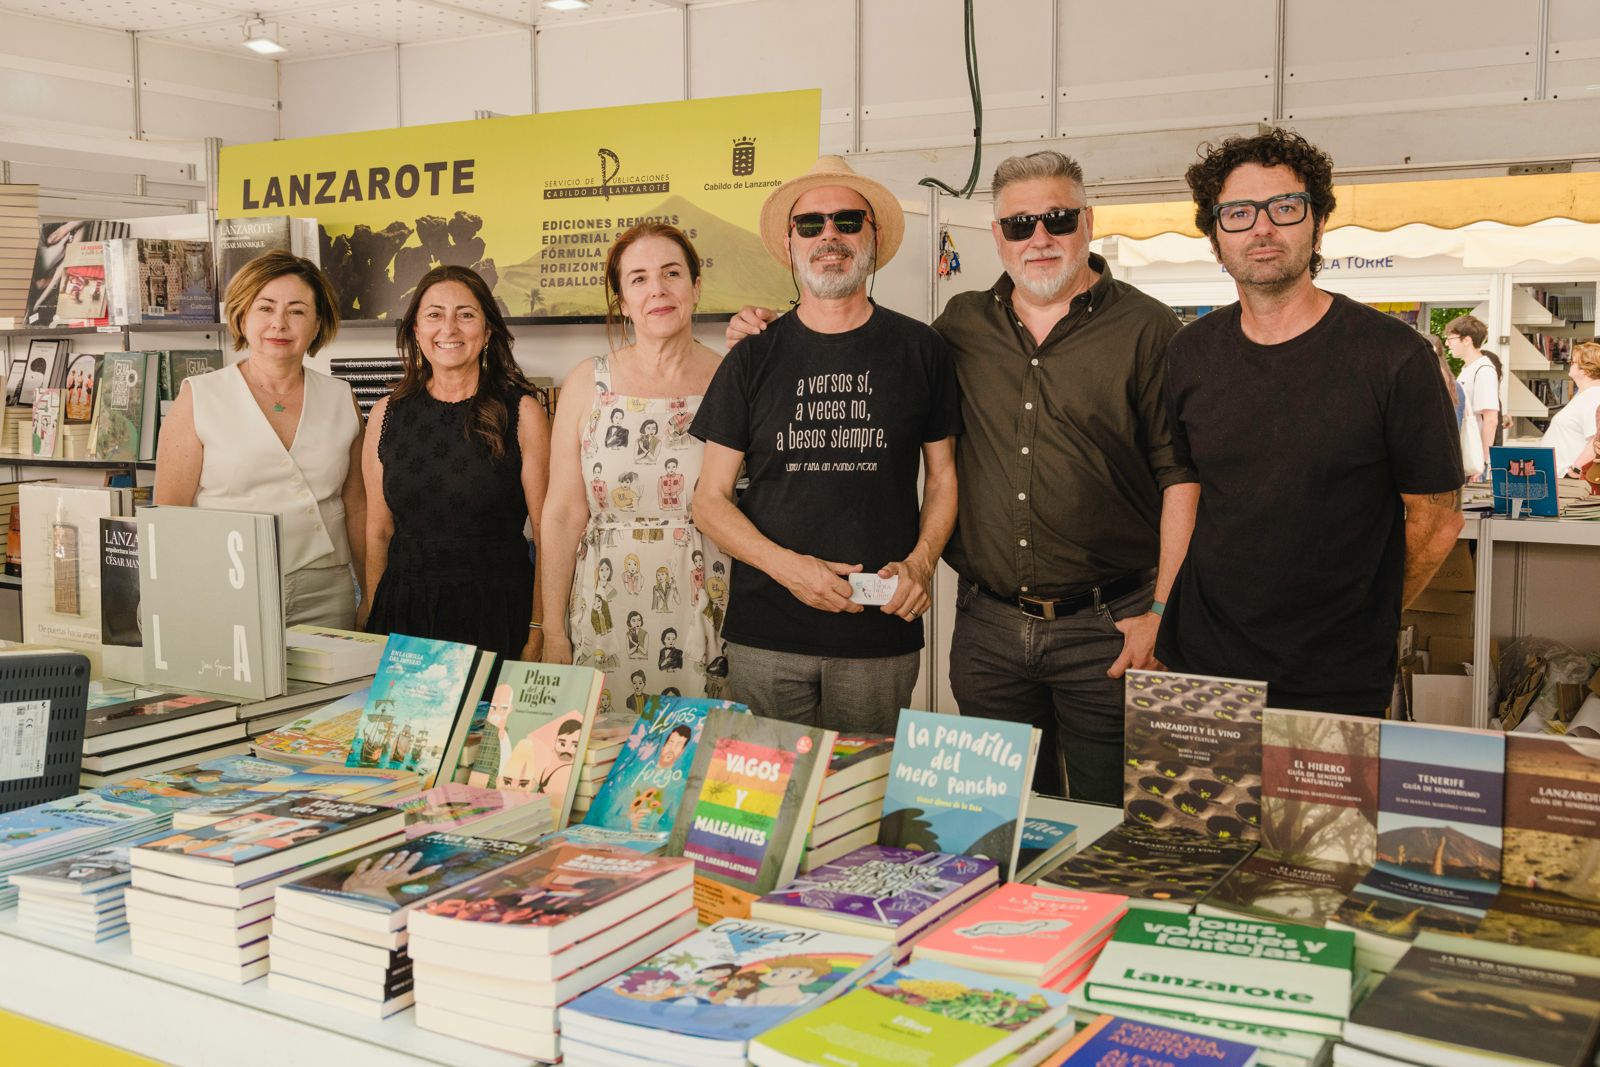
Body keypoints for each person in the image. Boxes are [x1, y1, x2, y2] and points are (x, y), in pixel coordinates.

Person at [725, 151, 1195, 803]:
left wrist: (1162, 613)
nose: (1039, 238)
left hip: (1107, 625)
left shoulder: (1147, 328)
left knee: (1106, 816)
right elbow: (841, 332)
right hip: (990, 631)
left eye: (1057, 219)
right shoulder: (959, 328)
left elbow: (1182, 479)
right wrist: (762, 327)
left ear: (1087, 221)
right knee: (989, 821)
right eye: (1020, 223)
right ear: (997, 234)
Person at [1156, 127, 1464, 716]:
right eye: (1239, 213)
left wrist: (1370, 616)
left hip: (1336, 676)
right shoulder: (1189, 352)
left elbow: (1438, 516)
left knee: (1323, 814)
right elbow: (1188, 488)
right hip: (1201, 660)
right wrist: (1161, 614)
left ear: (1317, 223)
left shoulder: (1394, 355)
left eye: (1285, 208)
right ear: (1216, 236)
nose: (1262, 228)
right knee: (1196, 809)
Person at [692, 155, 961, 734]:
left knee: (860, 806)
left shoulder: (921, 349)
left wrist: (920, 564)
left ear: (874, 235)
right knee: (766, 808)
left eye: (846, 220)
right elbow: (708, 500)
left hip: (879, 629)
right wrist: (791, 571)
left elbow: (942, 477)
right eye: (810, 225)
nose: (829, 237)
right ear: (790, 244)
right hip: (767, 631)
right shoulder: (751, 356)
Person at [541, 222, 731, 699]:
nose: (658, 290)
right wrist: (553, 631)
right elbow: (563, 514)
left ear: (695, 287)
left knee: (696, 753)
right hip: (606, 599)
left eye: (671, 273)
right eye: (639, 278)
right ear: (623, 301)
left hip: (708, 595)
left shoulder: (732, 378)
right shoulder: (587, 382)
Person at [156, 250, 366, 628]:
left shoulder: (341, 397)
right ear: (241, 316)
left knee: (333, 688)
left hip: (326, 588)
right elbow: (170, 513)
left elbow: (357, 506)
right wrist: (177, 598)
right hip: (225, 584)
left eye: (297, 311)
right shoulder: (199, 397)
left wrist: (370, 591)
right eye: (265, 308)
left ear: (318, 323)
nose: (279, 324)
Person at [363, 264, 549, 660]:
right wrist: (373, 621)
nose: (448, 328)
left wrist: (539, 626)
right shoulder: (385, 414)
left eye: (465, 315)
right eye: (434, 315)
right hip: (404, 614)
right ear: (416, 329)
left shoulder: (522, 412)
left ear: (487, 332)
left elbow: (548, 532)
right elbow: (378, 532)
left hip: (496, 611)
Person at [1446, 314, 1502, 482]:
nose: (1448, 343)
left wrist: (1482, 462)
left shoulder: (1484, 370)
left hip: (1474, 461)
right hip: (1466, 456)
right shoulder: (1468, 368)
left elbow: (1491, 420)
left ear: (1467, 340)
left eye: (1451, 338)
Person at [1543, 341, 1600, 477]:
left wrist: (1574, 471)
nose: (1570, 365)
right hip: (1562, 476)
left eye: (1572, 362)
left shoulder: (1593, 396)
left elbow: (1596, 441)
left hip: (1570, 479)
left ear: (1585, 370)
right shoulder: (1584, 394)